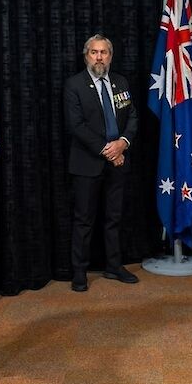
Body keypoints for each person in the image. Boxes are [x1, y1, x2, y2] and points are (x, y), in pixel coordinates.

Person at [64, 34, 139, 292]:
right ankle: (79, 272)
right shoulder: (74, 85)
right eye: (94, 52)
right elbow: (76, 126)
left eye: (104, 52)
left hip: (118, 162)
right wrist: (109, 150)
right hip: (88, 163)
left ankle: (114, 265)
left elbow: (132, 117)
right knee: (84, 220)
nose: (99, 57)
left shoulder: (120, 82)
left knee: (114, 217)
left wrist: (124, 143)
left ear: (110, 56)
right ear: (86, 56)